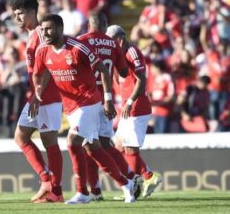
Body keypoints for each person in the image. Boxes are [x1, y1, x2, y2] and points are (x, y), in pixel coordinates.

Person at [33, 14, 135, 204]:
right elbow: (41, 72)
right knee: (93, 148)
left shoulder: (78, 47)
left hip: (89, 101)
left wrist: (108, 100)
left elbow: (104, 72)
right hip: (70, 106)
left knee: (73, 142)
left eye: (49, 29)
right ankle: (126, 183)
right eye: (43, 29)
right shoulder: (43, 50)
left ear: (60, 29)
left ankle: (83, 193)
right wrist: (37, 92)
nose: (45, 33)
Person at [78, 11, 141, 200]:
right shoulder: (112, 43)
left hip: (86, 100)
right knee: (104, 144)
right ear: (105, 25)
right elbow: (123, 72)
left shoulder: (80, 41)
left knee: (88, 144)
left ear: (89, 25)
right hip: (106, 102)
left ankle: (98, 190)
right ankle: (131, 177)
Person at [11, 0, 63, 203]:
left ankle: (56, 191)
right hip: (36, 97)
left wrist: (38, 95)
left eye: (20, 14)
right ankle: (46, 180)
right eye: (15, 15)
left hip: (46, 97)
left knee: (49, 142)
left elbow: (50, 65)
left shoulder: (41, 34)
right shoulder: (32, 35)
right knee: (20, 137)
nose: (17, 18)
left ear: (33, 12)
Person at [106, 25, 162, 198]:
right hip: (127, 107)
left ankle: (149, 177)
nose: (109, 46)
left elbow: (141, 79)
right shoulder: (119, 54)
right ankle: (134, 185)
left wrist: (130, 101)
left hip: (136, 107)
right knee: (118, 148)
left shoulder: (132, 52)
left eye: (111, 42)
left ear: (120, 39)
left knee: (130, 149)